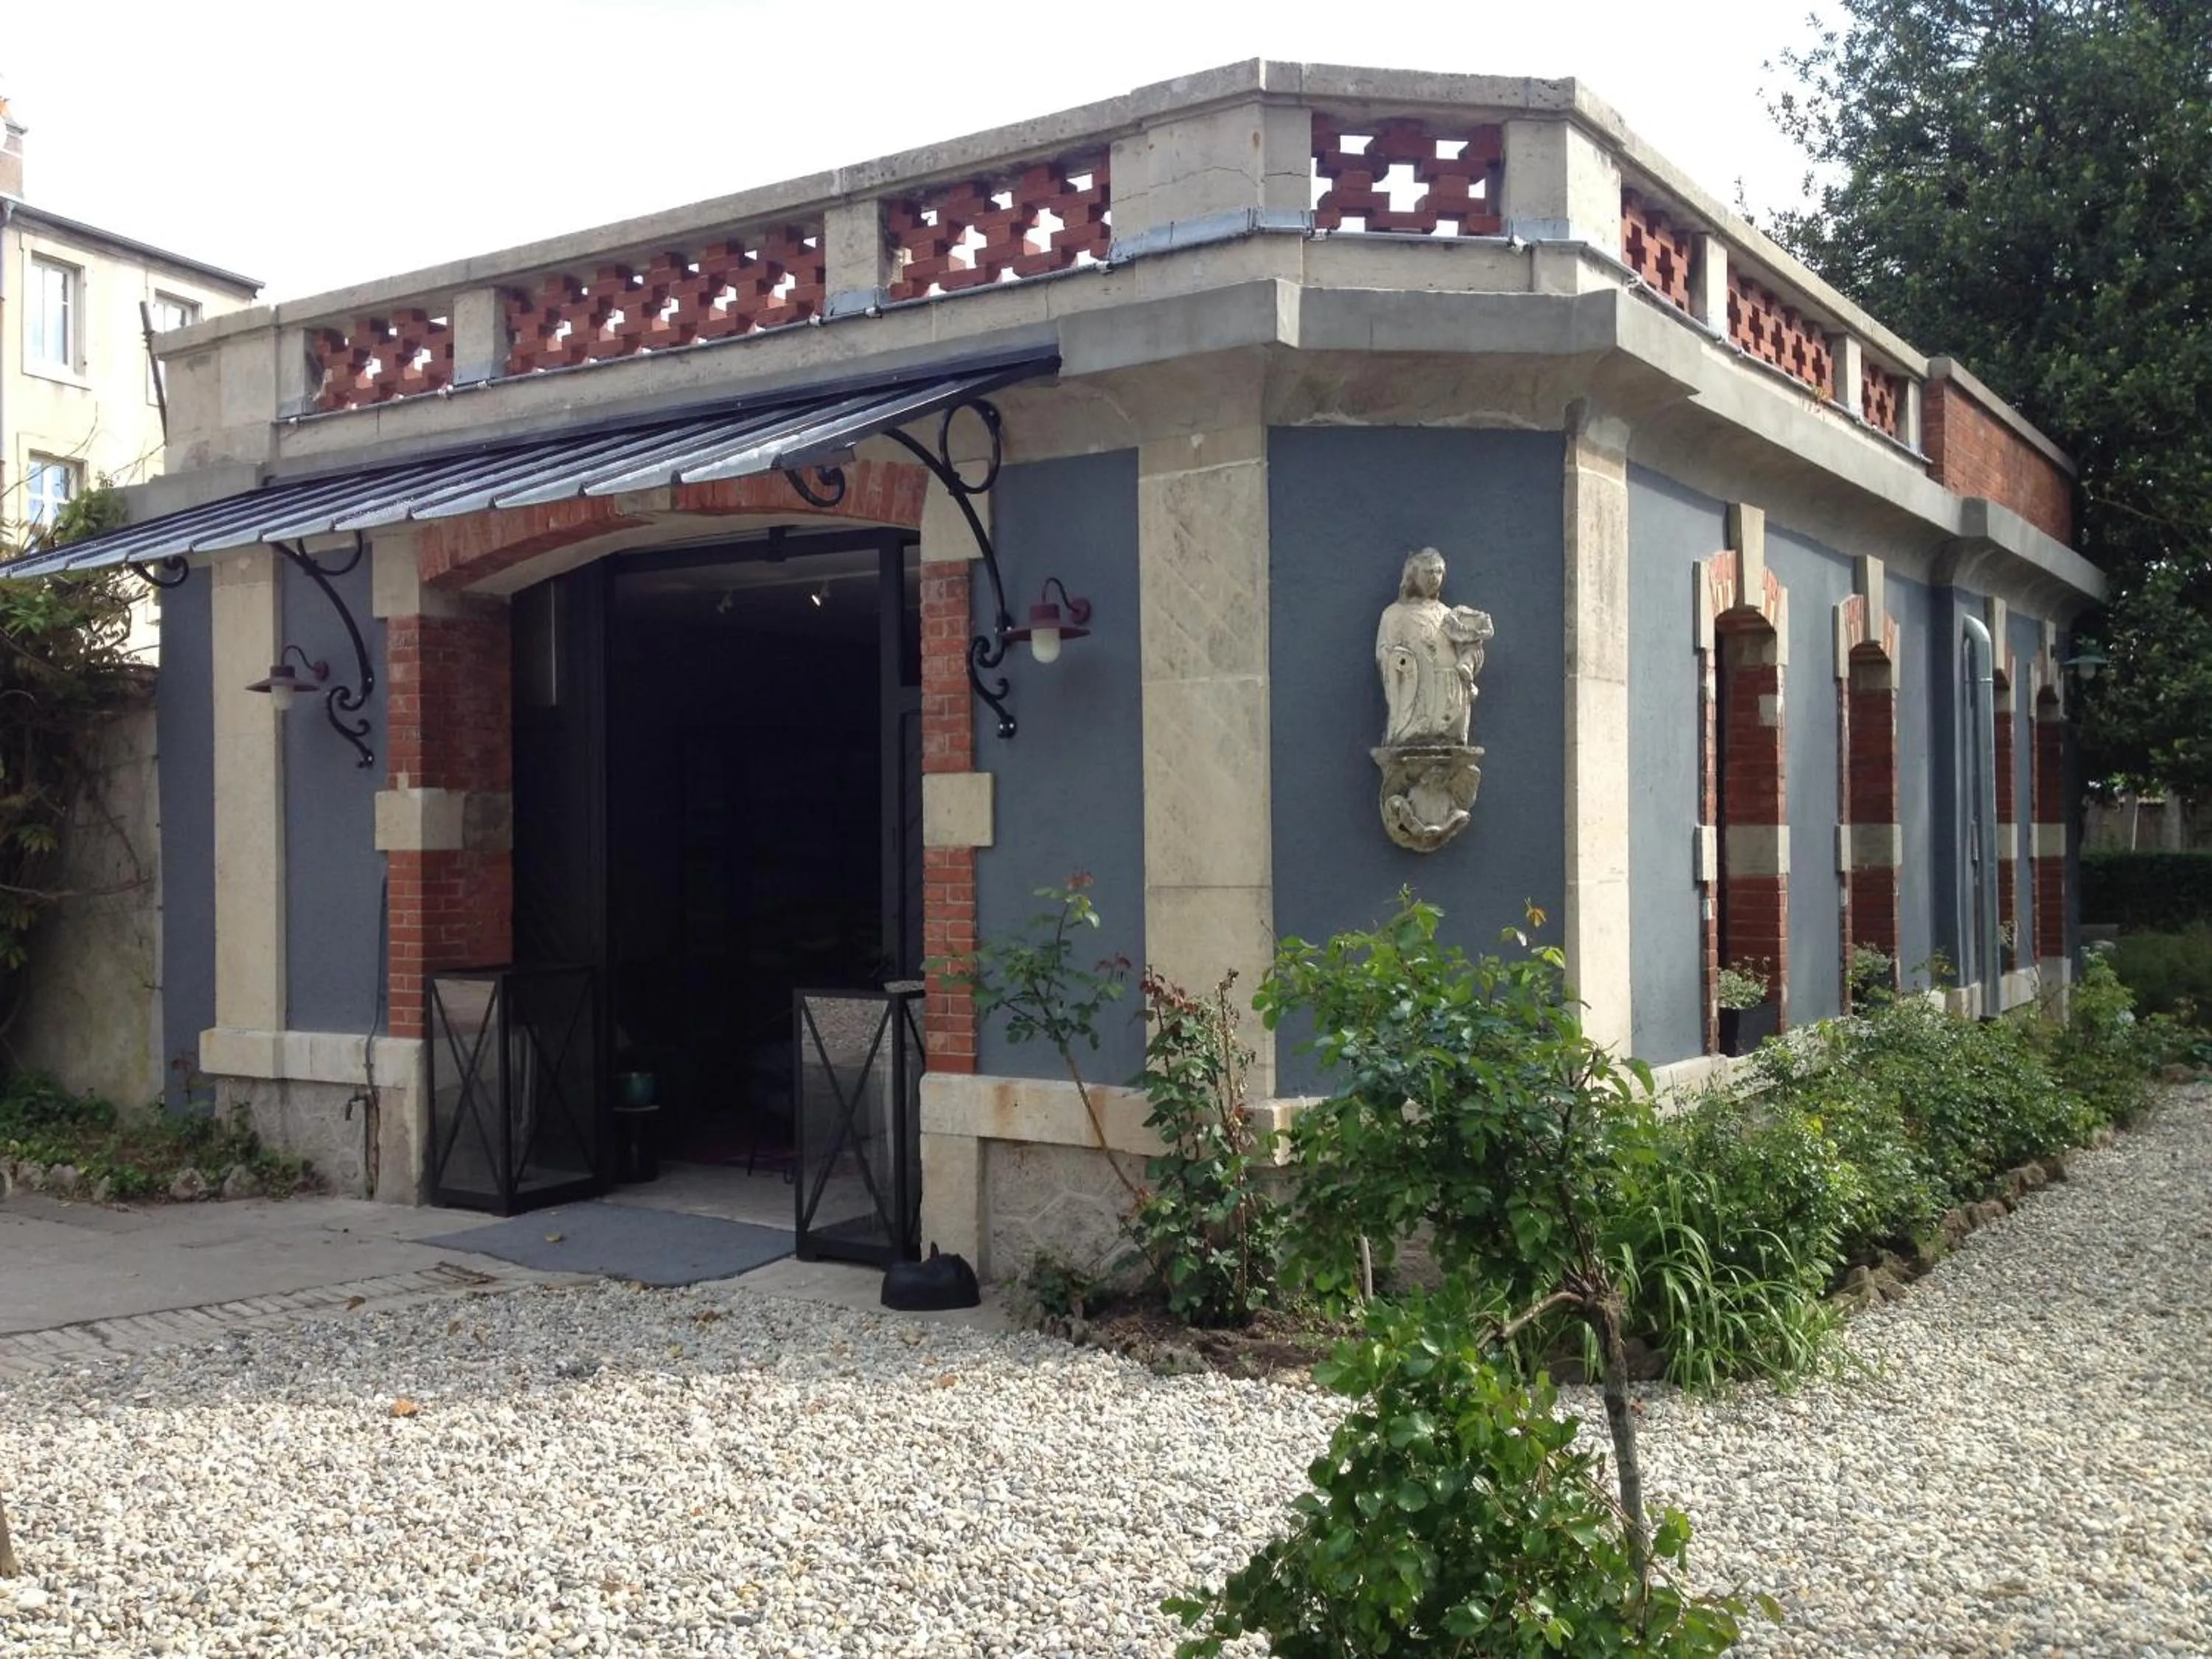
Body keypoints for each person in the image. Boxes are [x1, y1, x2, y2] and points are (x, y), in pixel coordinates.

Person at [1376, 548, 1492, 747]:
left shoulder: (1448, 615)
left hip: (1449, 691)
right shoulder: (1395, 614)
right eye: (1428, 572)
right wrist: (1401, 660)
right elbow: (1384, 655)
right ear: (1413, 576)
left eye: (1438, 572)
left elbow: (1465, 648)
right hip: (1417, 691)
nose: (1434, 578)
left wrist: (1471, 652)